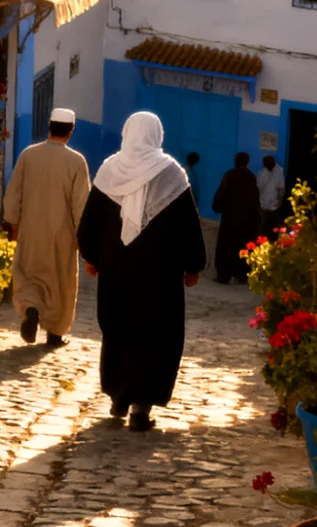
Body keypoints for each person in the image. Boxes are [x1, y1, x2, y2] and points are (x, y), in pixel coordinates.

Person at [78, 112, 207, 432]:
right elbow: (189, 225)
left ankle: (119, 398)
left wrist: (91, 256)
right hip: (159, 276)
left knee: (118, 330)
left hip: (117, 270)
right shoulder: (172, 174)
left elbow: (89, 222)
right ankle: (141, 406)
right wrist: (194, 265)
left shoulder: (109, 170)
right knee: (155, 334)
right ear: (156, 135)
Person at [4, 107, 93, 347]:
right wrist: (81, 237)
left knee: (28, 275)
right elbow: (81, 204)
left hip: (30, 229)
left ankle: (31, 308)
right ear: (71, 131)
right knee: (60, 283)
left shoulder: (28, 155)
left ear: (49, 126)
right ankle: (55, 332)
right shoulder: (76, 162)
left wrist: (13, 223)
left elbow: (14, 194)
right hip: (62, 235)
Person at [211, 153, 261, 284]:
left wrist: (217, 206)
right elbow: (255, 200)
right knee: (242, 246)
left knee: (226, 246)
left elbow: (221, 193)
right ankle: (241, 273)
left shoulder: (230, 175)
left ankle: (224, 274)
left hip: (230, 218)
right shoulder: (251, 177)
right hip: (247, 220)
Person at [256, 155, 287, 233]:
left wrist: (280, 201)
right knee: (262, 226)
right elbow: (258, 187)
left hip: (274, 205)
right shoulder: (262, 172)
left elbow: (281, 188)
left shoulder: (279, 171)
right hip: (263, 204)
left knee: (273, 227)